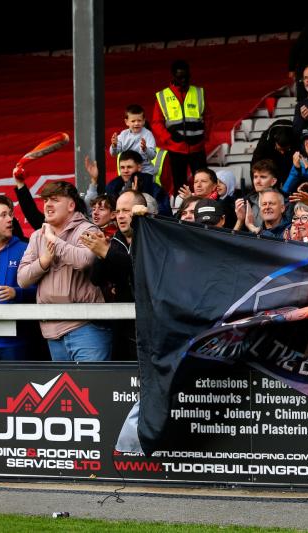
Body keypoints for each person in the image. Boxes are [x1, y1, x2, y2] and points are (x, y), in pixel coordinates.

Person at [17, 181, 111, 362]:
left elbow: (84, 261)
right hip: (52, 330)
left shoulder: (88, 228)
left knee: (93, 388)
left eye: (54, 200)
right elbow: (22, 279)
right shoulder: (38, 235)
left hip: (86, 327)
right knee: (65, 390)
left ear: (71, 205)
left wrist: (54, 241)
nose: (48, 205)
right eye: (45, 201)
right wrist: (43, 262)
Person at [81, 190, 148, 360]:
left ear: (140, 210)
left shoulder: (152, 240)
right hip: (122, 327)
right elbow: (97, 279)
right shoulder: (115, 241)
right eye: (118, 211)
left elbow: (141, 271)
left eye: (126, 210)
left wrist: (107, 252)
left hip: (149, 328)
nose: (121, 216)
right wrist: (100, 254)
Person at [0, 195, 35, 361]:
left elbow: (42, 291)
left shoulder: (26, 249)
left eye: (10, 214)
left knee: (16, 387)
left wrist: (17, 293)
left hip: (16, 343)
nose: (10, 219)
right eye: (3, 215)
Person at [152, 59, 212, 195]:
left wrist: (204, 136)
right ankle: (182, 209)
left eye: (186, 77)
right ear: (174, 76)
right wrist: (169, 138)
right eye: (180, 77)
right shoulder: (163, 96)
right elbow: (156, 122)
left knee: (203, 180)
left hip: (197, 147)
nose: (184, 80)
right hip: (176, 148)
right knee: (180, 183)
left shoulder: (198, 93)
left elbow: (209, 116)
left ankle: (205, 204)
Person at [109, 104, 158, 176]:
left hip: (145, 171)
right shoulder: (123, 135)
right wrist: (114, 145)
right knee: (113, 186)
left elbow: (152, 155)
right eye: (133, 121)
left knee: (142, 185)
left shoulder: (148, 134)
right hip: (127, 172)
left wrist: (145, 149)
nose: (136, 123)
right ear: (126, 122)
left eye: (139, 120)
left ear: (144, 121)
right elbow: (113, 153)